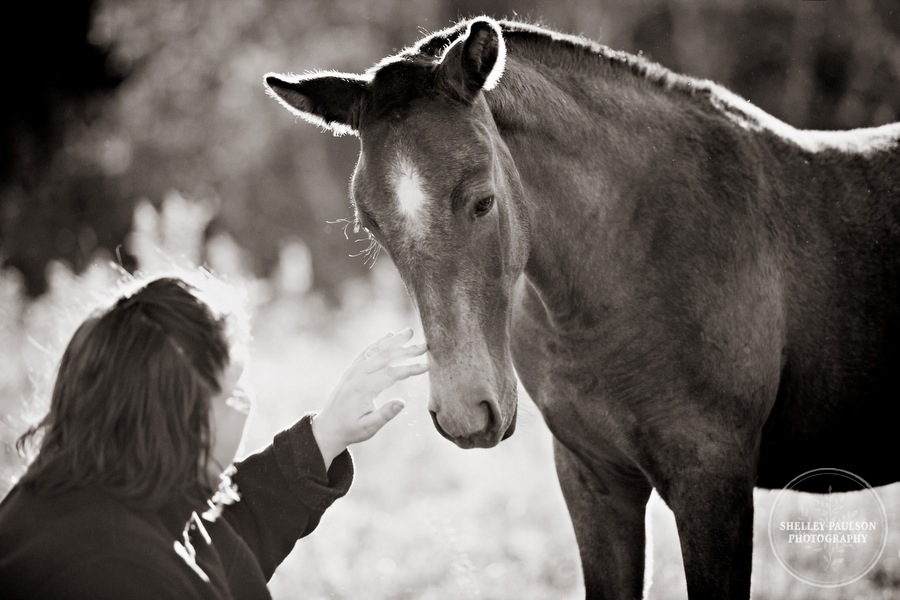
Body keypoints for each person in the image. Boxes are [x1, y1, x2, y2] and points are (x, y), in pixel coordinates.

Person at [0, 273, 429, 599]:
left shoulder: (86, 501)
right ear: (182, 410)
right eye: (236, 387)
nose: (247, 403)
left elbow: (218, 538)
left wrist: (325, 436)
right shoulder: (121, 572)